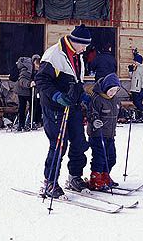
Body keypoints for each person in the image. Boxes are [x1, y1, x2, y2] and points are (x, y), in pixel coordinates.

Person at [35, 24, 91, 198]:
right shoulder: (54, 54)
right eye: (83, 45)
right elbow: (41, 80)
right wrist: (57, 95)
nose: (85, 48)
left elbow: (76, 81)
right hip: (54, 107)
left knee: (79, 142)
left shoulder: (77, 55)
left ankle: (74, 176)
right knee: (59, 145)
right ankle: (49, 182)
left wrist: (82, 96)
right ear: (74, 41)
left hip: (72, 106)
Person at [86, 73, 121, 191]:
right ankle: (95, 179)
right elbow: (91, 112)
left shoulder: (115, 99)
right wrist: (95, 120)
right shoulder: (97, 98)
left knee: (111, 157)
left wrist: (126, 114)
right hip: (97, 134)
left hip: (110, 134)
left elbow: (117, 110)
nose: (112, 93)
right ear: (106, 87)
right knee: (99, 157)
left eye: (115, 91)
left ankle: (105, 176)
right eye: (111, 90)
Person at [12, 56, 33, 131]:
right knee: (25, 107)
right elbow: (22, 80)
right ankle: (23, 124)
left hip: (24, 91)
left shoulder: (26, 68)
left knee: (23, 107)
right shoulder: (27, 70)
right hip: (23, 91)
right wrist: (29, 84)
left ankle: (23, 123)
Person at [129, 53, 143, 122]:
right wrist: (130, 71)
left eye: (134, 61)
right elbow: (132, 77)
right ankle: (139, 116)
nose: (133, 62)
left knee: (138, 102)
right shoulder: (136, 68)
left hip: (138, 89)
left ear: (137, 61)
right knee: (135, 102)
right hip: (134, 88)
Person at [29, 54, 43, 128]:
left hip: (39, 89)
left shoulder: (41, 69)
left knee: (39, 105)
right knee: (33, 105)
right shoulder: (31, 69)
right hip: (33, 90)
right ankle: (33, 120)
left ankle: (38, 120)